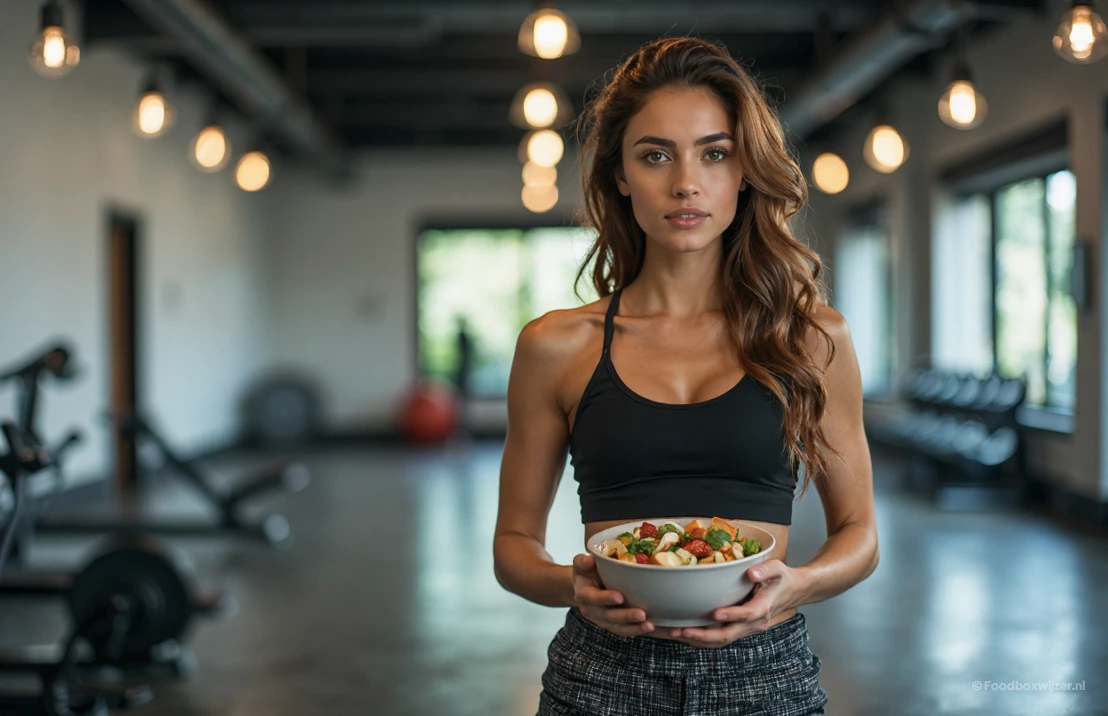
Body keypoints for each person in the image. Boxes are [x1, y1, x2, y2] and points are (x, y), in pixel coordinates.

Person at [493, 36, 878, 716]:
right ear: (619, 174)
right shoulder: (555, 345)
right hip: (601, 676)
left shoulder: (812, 336)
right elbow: (513, 548)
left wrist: (799, 584)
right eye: (654, 155)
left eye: (714, 152)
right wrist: (570, 585)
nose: (685, 183)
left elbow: (860, 535)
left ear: (745, 171)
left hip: (766, 671)